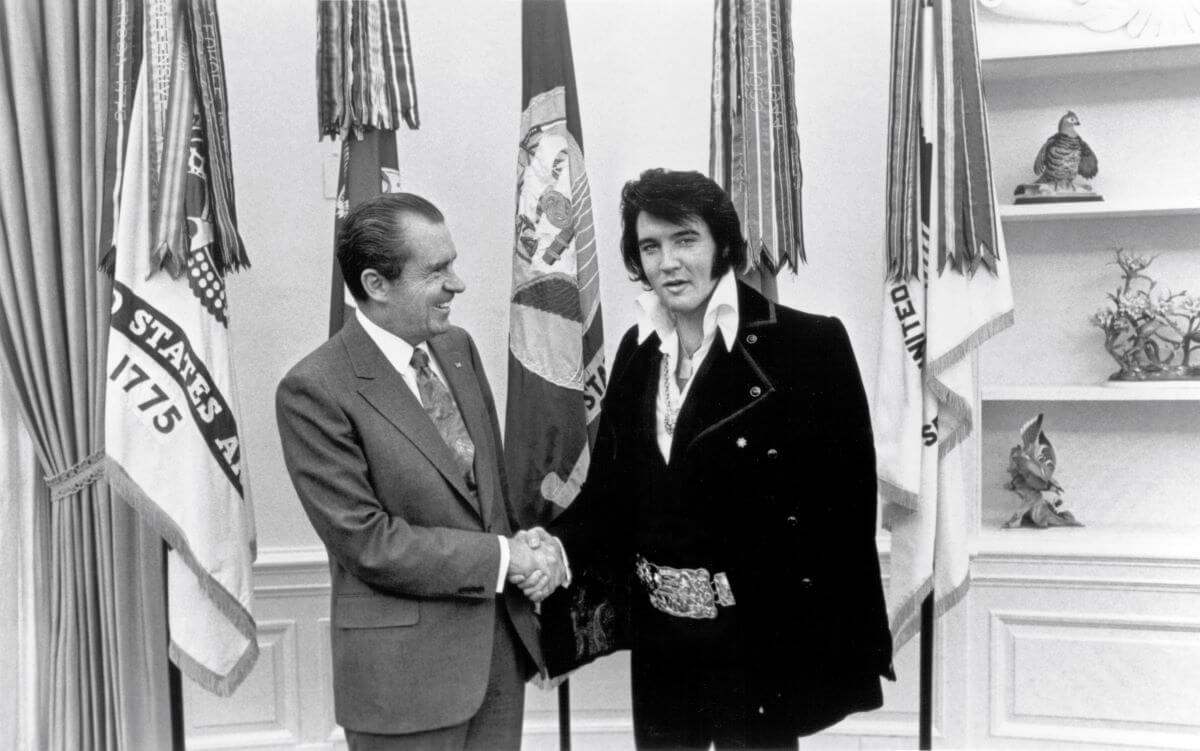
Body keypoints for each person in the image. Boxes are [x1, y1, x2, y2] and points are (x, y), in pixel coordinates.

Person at [517, 169, 894, 750]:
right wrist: (556, 548)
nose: (667, 262)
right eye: (650, 246)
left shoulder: (809, 346)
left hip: (760, 643)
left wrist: (825, 647)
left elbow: (843, 515)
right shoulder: (636, 352)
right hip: (661, 642)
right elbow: (612, 496)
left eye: (684, 239)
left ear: (721, 243)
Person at [275, 193, 564, 750]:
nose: (457, 284)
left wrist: (531, 545)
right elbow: (368, 542)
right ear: (376, 284)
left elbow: (489, 498)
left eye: (451, 264)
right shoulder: (315, 390)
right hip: (402, 688)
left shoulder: (457, 349)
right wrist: (506, 559)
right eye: (437, 270)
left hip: (499, 663)